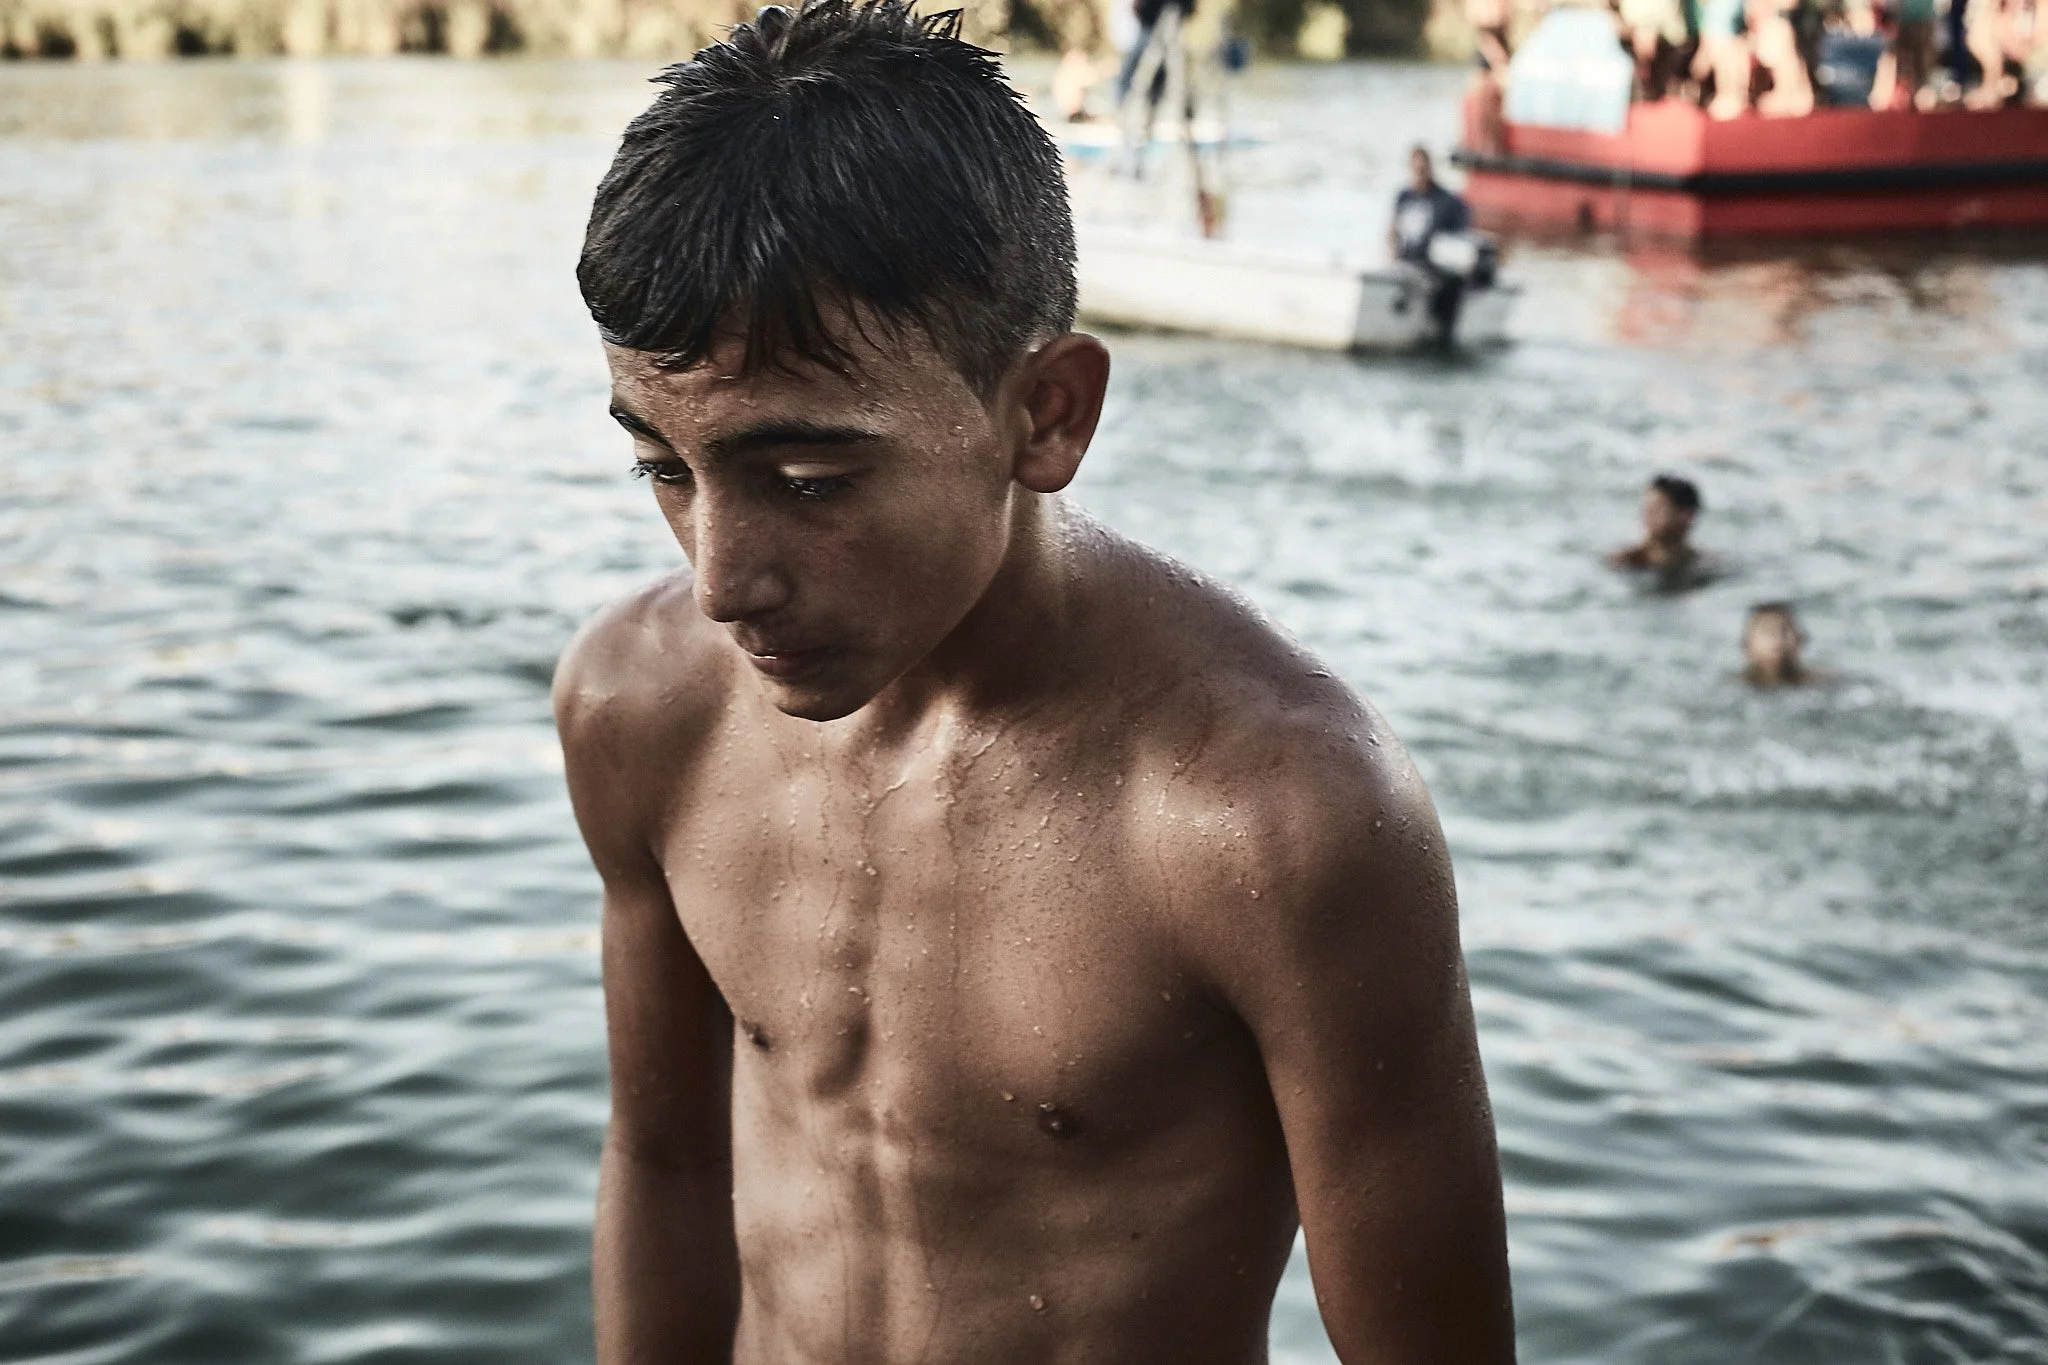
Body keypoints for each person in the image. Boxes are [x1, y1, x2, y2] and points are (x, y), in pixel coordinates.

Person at [559, 4, 1516, 1364]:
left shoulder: (1277, 820)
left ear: (1047, 414)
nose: (721, 580)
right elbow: (661, 1162)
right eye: (665, 467)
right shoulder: (637, 706)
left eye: (810, 480)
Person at [1608, 473, 1707, 575]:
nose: (1648, 515)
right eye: (1647, 508)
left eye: (1658, 509)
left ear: (1686, 515)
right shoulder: (1626, 561)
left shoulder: (1703, 564)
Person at [1741, 602, 1809, 685]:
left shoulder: (1817, 682)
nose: (1777, 637)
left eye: (1784, 629)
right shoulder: (1733, 686)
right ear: (1747, 645)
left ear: (1800, 640)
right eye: (1767, 630)